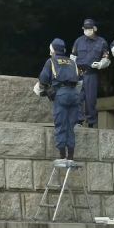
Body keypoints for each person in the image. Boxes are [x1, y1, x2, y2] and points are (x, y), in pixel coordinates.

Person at [34, 38, 82, 167]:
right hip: (75, 94)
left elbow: (43, 80)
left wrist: (40, 89)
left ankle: (62, 157)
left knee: (61, 124)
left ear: (53, 50)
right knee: (70, 125)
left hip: (62, 94)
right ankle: (71, 157)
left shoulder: (51, 61)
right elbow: (79, 79)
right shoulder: (72, 62)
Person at [69, 19, 110, 128]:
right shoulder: (78, 41)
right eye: (85, 29)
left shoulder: (101, 42)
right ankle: (79, 121)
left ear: (94, 29)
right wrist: (72, 70)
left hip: (92, 73)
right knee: (78, 97)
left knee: (91, 99)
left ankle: (91, 122)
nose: (87, 31)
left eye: (89, 29)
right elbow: (73, 56)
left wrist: (101, 64)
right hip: (79, 73)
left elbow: (106, 58)